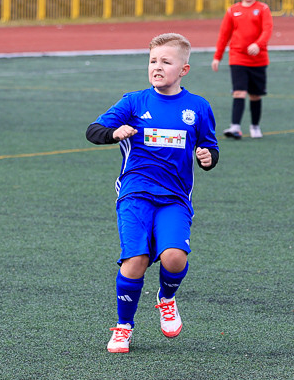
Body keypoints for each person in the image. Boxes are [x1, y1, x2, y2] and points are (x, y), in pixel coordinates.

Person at [86, 33, 219, 354]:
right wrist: (113, 132)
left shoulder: (198, 107)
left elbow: (211, 147)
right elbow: (93, 131)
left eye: (166, 62)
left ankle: (167, 298)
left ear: (184, 69)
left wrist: (208, 158)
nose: (157, 68)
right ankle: (123, 327)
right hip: (135, 194)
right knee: (136, 260)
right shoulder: (133, 102)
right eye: (153, 61)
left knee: (174, 258)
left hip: (174, 197)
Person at [212, 0, 273, 140]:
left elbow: (267, 30)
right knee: (238, 92)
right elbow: (224, 35)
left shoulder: (263, 9)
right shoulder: (232, 11)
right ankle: (235, 127)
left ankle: (255, 126)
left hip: (258, 60)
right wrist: (217, 57)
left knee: (255, 95)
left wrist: (257, 44)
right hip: (237, 58)